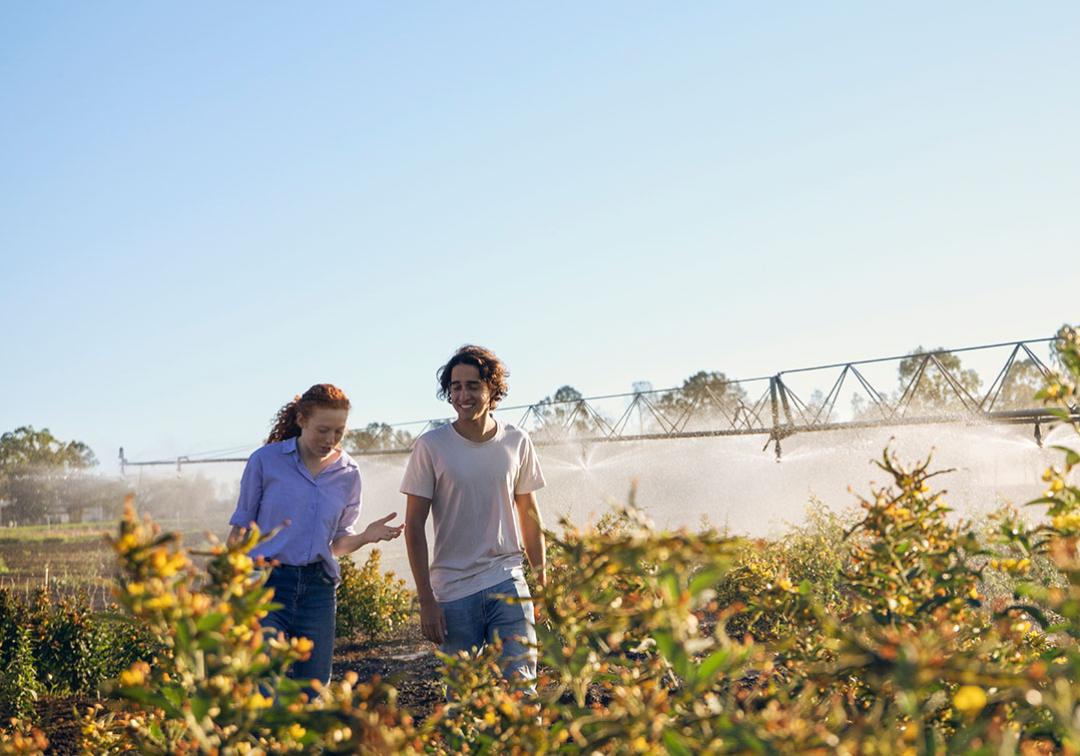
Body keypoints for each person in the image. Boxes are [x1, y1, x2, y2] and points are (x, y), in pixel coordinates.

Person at [227, 383, 403, 691]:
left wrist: (364, 537)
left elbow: (336, 545)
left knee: (314, 688)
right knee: (263, 686)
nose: (330, 440)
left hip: (318, 591)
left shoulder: (349, 473)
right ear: (301, 420)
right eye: (322, 430)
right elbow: (240, 530)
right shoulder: (265, 462)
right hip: (266, 586)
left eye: (339, 432)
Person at [401, 345, 546, 682]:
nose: (463, 395)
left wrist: (542, 583)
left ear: (492, 390)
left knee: (521, 687)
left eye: (472, 385)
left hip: (507, 581)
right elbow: (414, 527)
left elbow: (529, 516)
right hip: (453, 592)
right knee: (462, 700)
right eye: (455, 387)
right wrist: (426, 599)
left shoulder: (517, 441)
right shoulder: (432, 446)